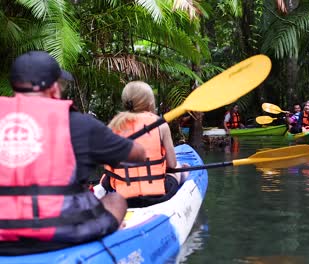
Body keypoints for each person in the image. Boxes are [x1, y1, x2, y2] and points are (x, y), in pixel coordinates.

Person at [0, 51, 146, 255]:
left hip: (3, 238)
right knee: (116, 200)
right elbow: (139, 154)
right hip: (63, 235)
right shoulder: (79, 124)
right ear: (53, 88)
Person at [101, 81, 188, 207]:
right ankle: (184, 175)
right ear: (150, 103)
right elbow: (172, 164)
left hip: (124, 199)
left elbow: (108, 167)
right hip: (159, 195)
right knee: (178, 169)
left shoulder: (112, 128)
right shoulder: (160, 125)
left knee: (106, 177)